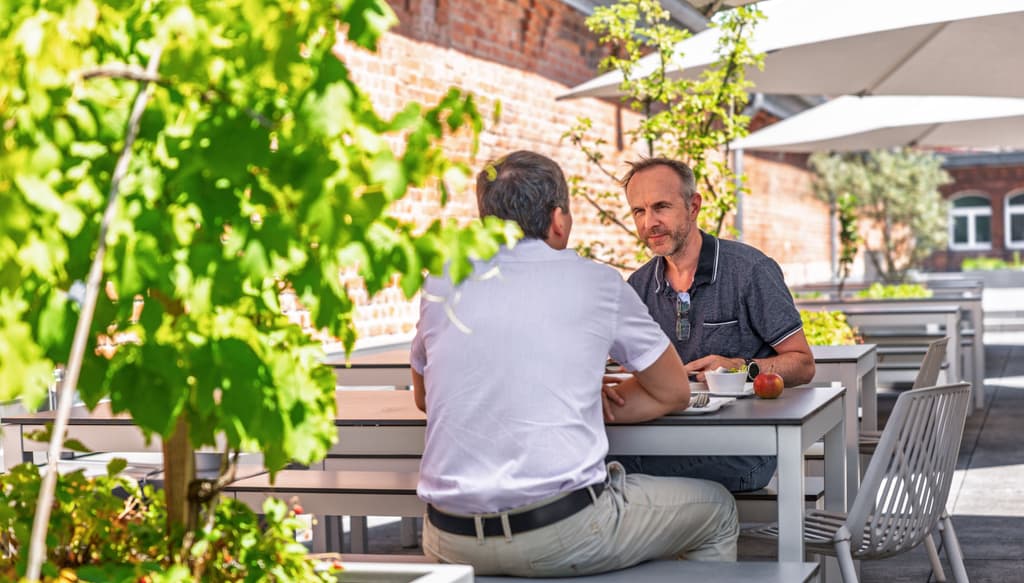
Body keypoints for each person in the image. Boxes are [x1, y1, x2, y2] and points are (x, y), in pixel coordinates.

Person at [411, 151, 738, 577]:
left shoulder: (440, 281)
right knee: (718, 509)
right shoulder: (596, 282)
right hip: (561, 533)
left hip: (447, 538)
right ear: (558, 220)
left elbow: (424, 397)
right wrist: (583, 402)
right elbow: (674, 391)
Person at [608, 157, 816, 493]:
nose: (649, 223)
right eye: (638, 211)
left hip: (745, 449)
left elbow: (803, 364)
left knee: (610, 472)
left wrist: (740, 368)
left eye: (661, 207)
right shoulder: (639, 285)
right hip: (664, 439)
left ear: (693, 206)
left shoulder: (750, 270)